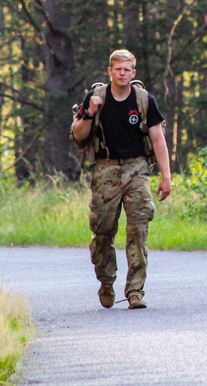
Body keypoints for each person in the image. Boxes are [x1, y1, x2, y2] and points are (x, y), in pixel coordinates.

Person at [71, 49, 172, 309]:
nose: (123, 73)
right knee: (103, 231)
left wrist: (166, 176)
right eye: (118, 69)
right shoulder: (96, 97)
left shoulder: (143, 99)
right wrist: (90, 111)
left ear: (133, 72)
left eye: (127, 69)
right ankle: (106, 282)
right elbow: (79, 135)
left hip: (137, 167)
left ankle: (135, 291)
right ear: (110, 71)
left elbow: (158, 138)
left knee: (138, 230)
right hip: (106, 168)